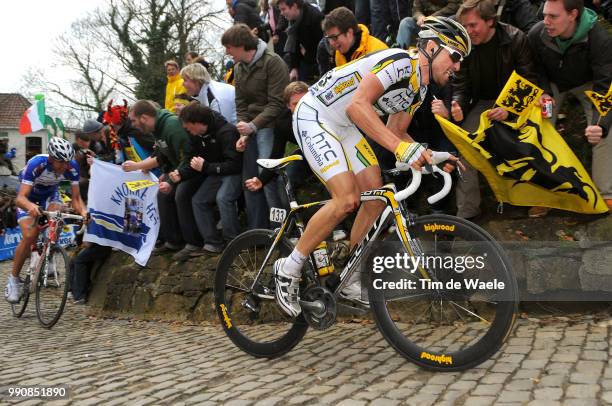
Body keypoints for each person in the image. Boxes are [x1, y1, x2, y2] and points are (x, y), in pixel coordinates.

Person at [273, 17, 469, 317]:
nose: (457, 66)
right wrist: (402, 148)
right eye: (454, 56)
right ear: (431, 46)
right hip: (316, 114)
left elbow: (397, 133)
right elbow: (358, 105)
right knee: (346, 199)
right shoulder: (401, 62)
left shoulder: (419, 88)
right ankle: (288, 267)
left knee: (376, 199)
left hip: (347, 125)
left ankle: (349, 276)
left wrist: (434, 156)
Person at [452, 0, 537, 219]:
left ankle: (519, 201)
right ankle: (468, 212)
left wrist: (509, 110)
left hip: (513, 102)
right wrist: (458, 105)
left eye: (473, 25)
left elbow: (529, 80)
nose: (469, 32)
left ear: (490, 21)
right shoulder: (465, 45)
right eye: (466, 26)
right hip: (482, 104)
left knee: (517, 142)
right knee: (466, 145)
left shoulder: (516, 38)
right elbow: (461, 87)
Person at [528, 0, 612, 214]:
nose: (546, 21)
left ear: (573, 14)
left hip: (588, 82)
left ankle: (606, 195)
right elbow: (534, 68)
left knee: (604, 131)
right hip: (553, 84)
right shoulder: (537, 33)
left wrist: (600, 124)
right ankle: (543, 195)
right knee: (538, 126)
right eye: (545, 14)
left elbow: (606, 83)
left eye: (553, 16)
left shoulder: (599, 38)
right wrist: (543, 90)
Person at [222, 23, 289, 229]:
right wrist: (243, 130)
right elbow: (240, 102)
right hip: (251, 127)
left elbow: (278, 103)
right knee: (249, 180)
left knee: (268, 178)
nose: (227, 53)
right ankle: (259, 230)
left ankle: (283, 227)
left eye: (229, 48)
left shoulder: (273, 62)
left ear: (241, 46)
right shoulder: (239, 68)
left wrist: (253, 126)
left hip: (272, 125)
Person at [4, 138, 87, 303]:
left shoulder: (71, 166)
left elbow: (76, 199)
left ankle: (48, 255)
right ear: (51, 158)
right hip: (28, 197)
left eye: (67, 162)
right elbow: (20, 198)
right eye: (61, 162)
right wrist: (30, 207)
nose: (65, 166)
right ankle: (13, 280)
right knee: (30, 235)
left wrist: (84, 212)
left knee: (57, 215)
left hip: (49, 195)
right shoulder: (37, 164)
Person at [122, 100, 199, 257]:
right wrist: (166, 172)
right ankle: (173, 241)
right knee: (162, 195)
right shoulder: (157, 130)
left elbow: (188, 155)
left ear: (144, 117)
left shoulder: (171, 126)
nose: (133, 124)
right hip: (179, 170)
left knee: (181, 194)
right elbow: (164, 154)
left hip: (194, 169)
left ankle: (194, 243)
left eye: (134, 120)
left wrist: (172, 178)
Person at [170, 103, 243, 256]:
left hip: (233, 172)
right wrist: (181, 174)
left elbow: (235, 165)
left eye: (188, 127)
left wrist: (207, 167)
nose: (187, 130)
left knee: (223, 198)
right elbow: (193, 160)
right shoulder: (196, 135)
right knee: (198, 200)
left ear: (197, 123)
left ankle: (235, 242)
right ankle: (213, 243)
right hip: (214, 172)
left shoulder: (226, 131)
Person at [321, 6, 388, 70]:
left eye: (334, 37)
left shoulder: (378, 53)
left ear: (349, 33)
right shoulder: (339, 53)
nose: (331, 43)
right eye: (329, 38)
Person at [276, 0, 324, 82]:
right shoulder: (294, 20)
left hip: (315, 64)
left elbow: (322, 48)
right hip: (303, 59)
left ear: (294, 6)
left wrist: (307, 54)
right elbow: (294, 44)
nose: (281, 13)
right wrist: (294, 68)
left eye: (283, 9)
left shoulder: (315, 18)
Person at [396, 0, 461, 48]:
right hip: (425, 24)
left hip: (444, 23)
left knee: (453, 19)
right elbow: (416, 9)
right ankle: (399, 54)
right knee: (406, 22)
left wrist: (433, 17)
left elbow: (454, 6)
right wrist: (420, 16)